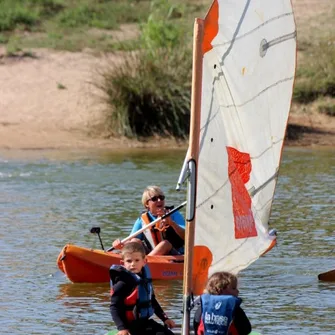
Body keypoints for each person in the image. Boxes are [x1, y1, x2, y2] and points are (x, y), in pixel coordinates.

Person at [109, 242, 176, 335]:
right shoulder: (122, 283)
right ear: (122, 263)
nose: (133, 264)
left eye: (137, 260)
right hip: (130, 326)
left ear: (144, 261)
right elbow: (114, 307)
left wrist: (165, 318)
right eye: (129, 261)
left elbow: (152, 301)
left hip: (145, 323)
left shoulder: (144, 278)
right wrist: (122, 328)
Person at [112, 185, 185, 255]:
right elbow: (131, 241)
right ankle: (141, 261)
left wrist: (172, 223)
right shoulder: (142, 219)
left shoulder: (173, 214)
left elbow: (186, 236)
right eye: (154, 199)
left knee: (164, 244)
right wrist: (120, 244)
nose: (159, 200)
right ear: (147, 204)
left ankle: (144, 262)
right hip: (153, 253)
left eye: (161, 197)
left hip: (175, 254)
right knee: (135, 241)